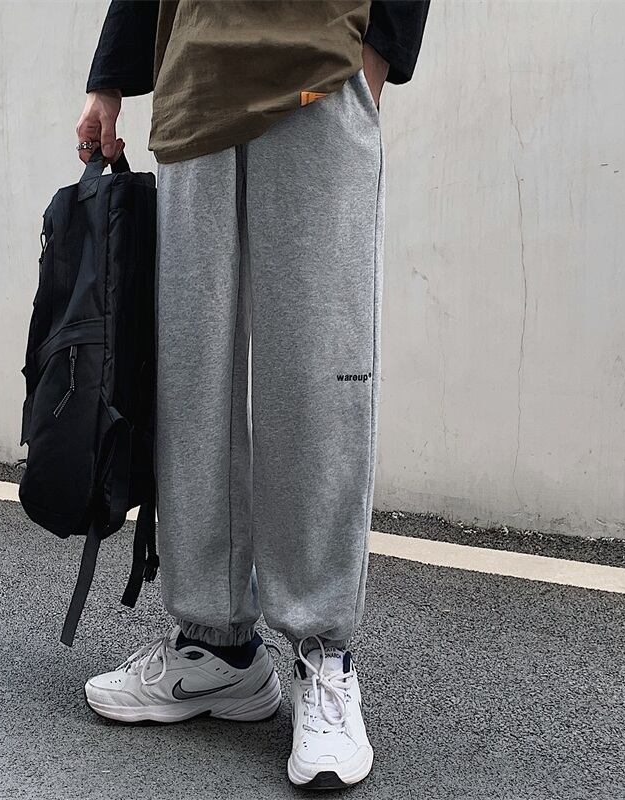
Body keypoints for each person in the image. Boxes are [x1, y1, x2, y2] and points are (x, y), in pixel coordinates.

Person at [75, 0, 430, 789]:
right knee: (190, 383)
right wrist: (110, 80)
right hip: (195, 84)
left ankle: (324, 654)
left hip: (319, 72)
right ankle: (218, 647)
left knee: (316, 383)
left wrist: (377, 54)